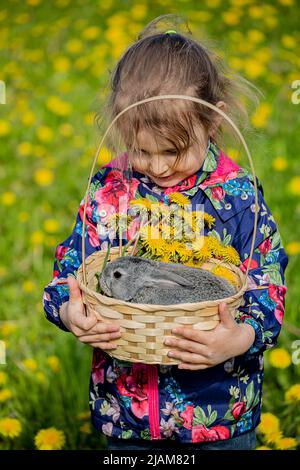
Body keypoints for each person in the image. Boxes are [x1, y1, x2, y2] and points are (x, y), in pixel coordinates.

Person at [43, 14, 288, 451]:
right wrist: (68, 311)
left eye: (173, 151)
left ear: (213, 122)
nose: (157, 167)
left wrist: (241, 338)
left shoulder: (235, 196)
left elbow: (267, 283)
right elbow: (72, 270)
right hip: (127, 416)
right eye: (140, 150)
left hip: (218, 415)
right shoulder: (110, 190)